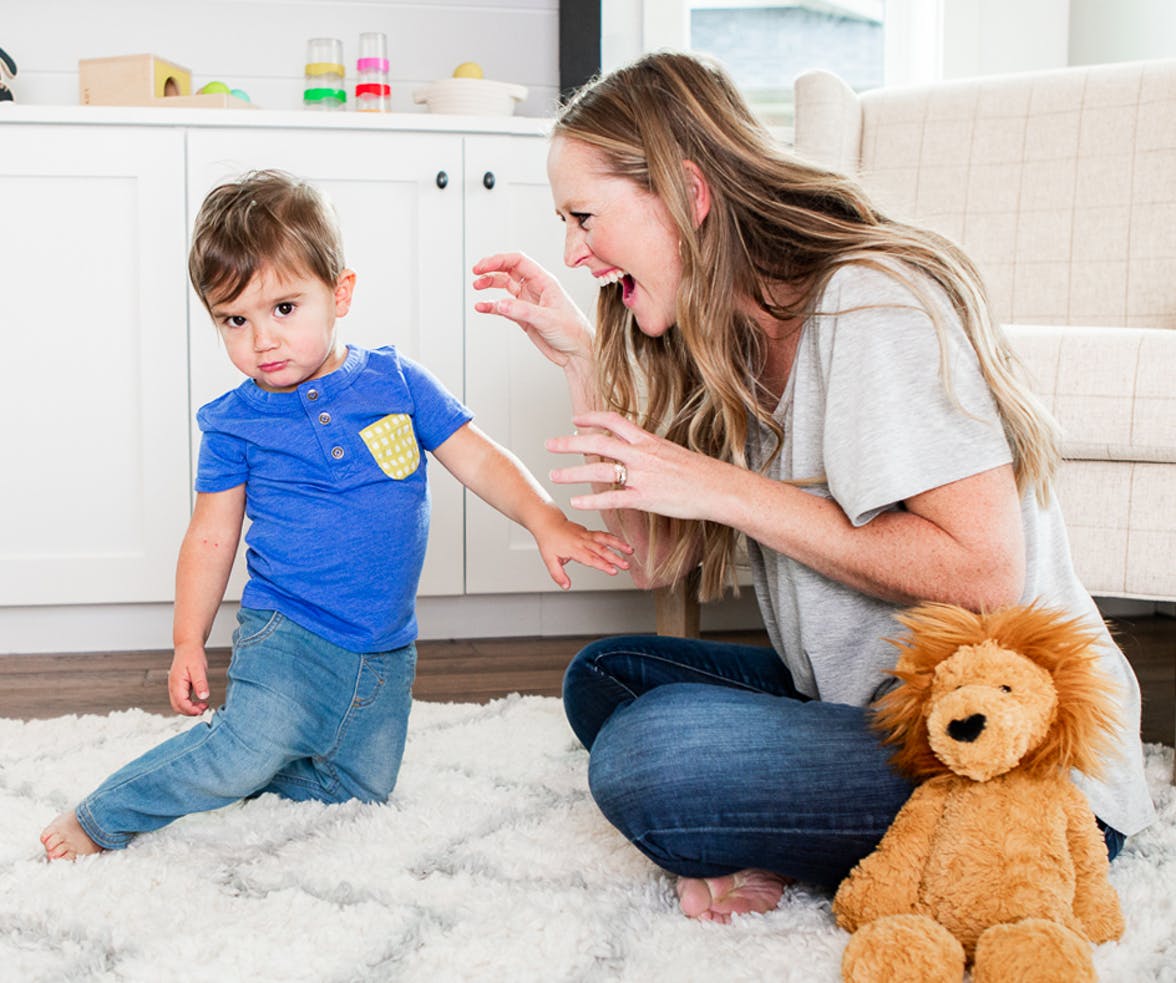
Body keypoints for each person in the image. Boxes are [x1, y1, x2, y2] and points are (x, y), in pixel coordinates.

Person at [472, 52, 1155, 922]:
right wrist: (580, 359)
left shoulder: (869, 305)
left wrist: (723, 486)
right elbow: (652, 557)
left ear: (687, 192)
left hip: (1020, 762)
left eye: (583, 215)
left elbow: (985, 569)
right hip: (867, 704)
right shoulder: (734, 338)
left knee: (652, 755)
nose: (572, 250)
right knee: (607, 678)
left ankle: (794, 833)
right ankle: (783, 824)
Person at [40, 169, 631, 861]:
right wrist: (187, 639)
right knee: (237, 751)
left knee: (358, 790)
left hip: (385, 647)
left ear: (340, 292)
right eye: (235, 319)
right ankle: (102, 818)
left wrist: (543, 518)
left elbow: (478, 457)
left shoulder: (397, 382)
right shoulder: (236, 423)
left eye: (284, 308)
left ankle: (273, 761)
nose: (262, 340)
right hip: (288, 633)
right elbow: (210, 535)